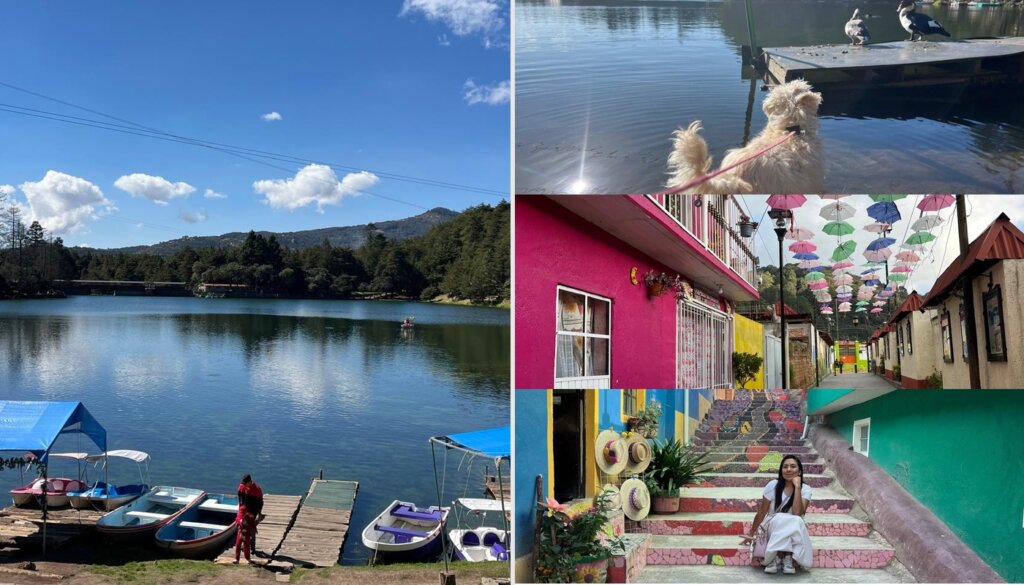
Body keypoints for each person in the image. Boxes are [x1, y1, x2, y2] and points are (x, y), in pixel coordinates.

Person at [740, 455, 813, 574]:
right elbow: (762, 511)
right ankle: (777, 557)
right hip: (773, 526)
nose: (788, 469)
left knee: (796, 520)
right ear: (781, 470)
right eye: (785, 467)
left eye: (793, 466)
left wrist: (797, 487)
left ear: (799, 471)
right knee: (780, 518)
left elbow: (797, 513)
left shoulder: (805, 489)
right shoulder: (773, 485)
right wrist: (751, 532)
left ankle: (783, 556)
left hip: (794, 526)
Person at [238, 474, 265, 556]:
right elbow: (240, 498)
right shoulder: (242, 486)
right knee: (242, 528)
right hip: (244, 511)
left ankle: (252, 548)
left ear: (250, 482)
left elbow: (260, 503)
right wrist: (240, 510)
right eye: (243, 483)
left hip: (253, 512)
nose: (244, 485)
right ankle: (243, 545)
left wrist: (259, 514)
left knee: (252, 529)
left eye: (245, 484)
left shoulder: (257, 489)